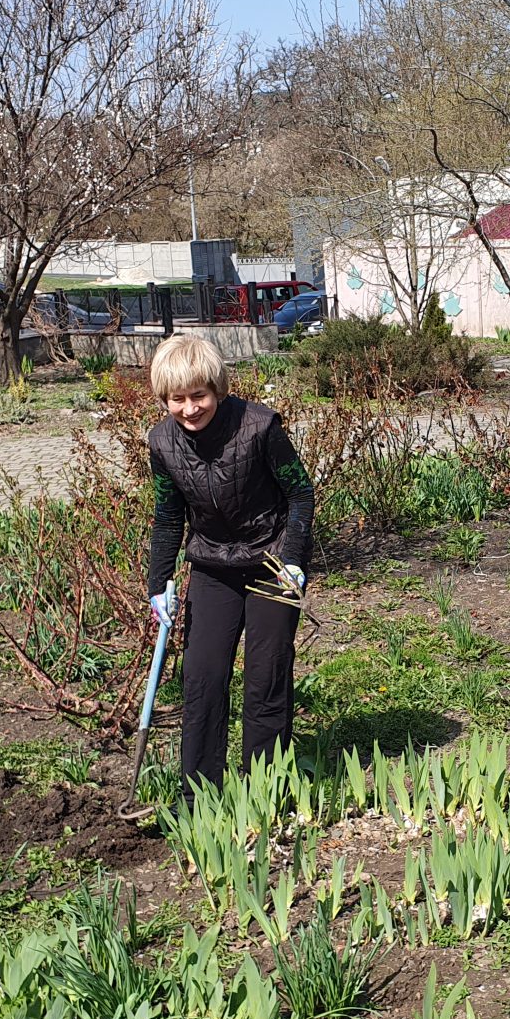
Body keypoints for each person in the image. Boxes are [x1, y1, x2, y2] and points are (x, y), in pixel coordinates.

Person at [145, 335, 314, 790]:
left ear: (217, 389)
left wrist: (294, 559)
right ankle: (198, 795)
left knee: (266, 675)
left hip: (272, 564)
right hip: (212, 566)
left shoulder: (259, 427)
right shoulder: (162, 443)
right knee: (202, 677)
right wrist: (157, 584)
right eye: (176, 399)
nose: (189, 409)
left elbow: (300, 493)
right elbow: (168, 517)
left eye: (198, 395)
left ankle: (264, 788)